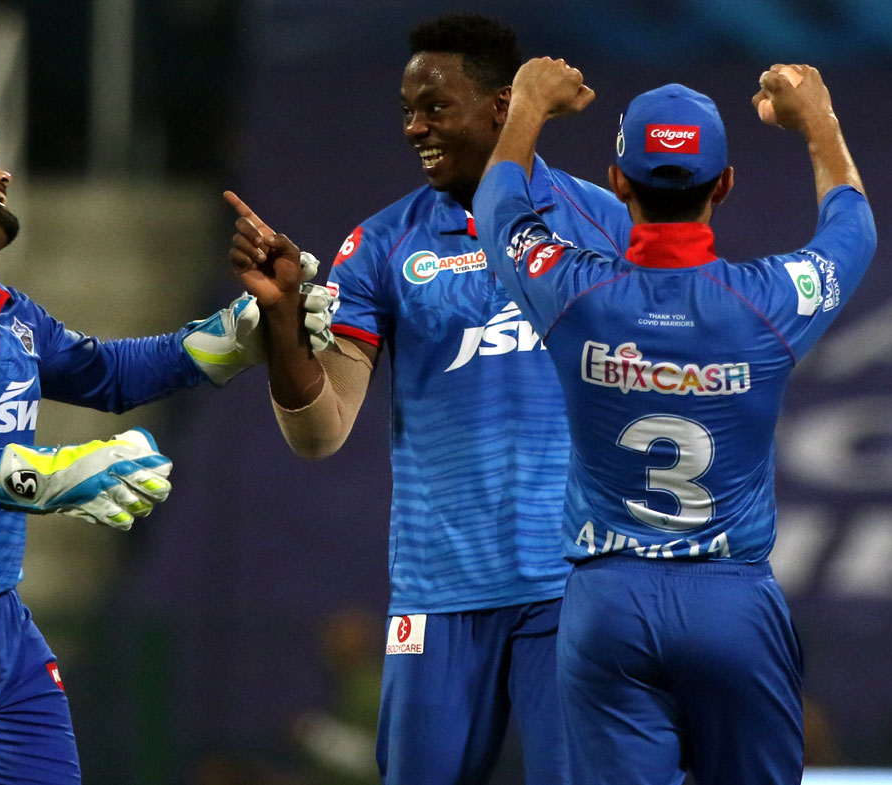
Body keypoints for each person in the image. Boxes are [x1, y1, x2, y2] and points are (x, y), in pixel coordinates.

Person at [0, 102, 331, 785]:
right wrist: (48, 476)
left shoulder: (13, 312)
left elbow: (108, 373)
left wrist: (238, 337)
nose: (4, 171)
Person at [226, 13, 631, 785]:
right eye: (408, 110)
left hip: (575, 587)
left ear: (501, 106)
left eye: (435, 107)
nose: (415, 127)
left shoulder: (603, 222)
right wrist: (283, 325)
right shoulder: (380, 245)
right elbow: (321, 431)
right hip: (439, 598)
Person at [472, 59, 875, 784]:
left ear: (618, 181)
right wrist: (818, 120)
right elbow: (854, 228)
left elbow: (500, 204)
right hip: (732, 602)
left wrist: (527, 105)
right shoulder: (768, 303)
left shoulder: (572, 292)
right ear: (723, 184)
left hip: (606, 607)